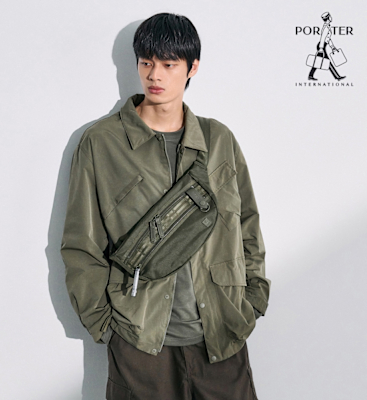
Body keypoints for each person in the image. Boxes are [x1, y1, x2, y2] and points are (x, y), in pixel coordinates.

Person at [61, 12, 271, 400]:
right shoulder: (102, 143)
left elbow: (246, 225)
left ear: (193, 67)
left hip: (221, 337)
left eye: (169, 64)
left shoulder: (218, 140)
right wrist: (106, 326)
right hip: (140, 344)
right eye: (146, 63)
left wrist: (252, 300)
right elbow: (81, 244)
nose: (154, 75)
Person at [308, 11, 346, 81]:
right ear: (328, 18)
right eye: (330, 16)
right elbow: (322, 38)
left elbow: (328, 38)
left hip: (322, 45)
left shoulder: (327, 26)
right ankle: (337, 76)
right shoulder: (326, 27)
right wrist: (321, 48)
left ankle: (310, 75)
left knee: (318, 61)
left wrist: (332, 47)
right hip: (321, 46)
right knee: (325, 61)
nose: (331, 17)